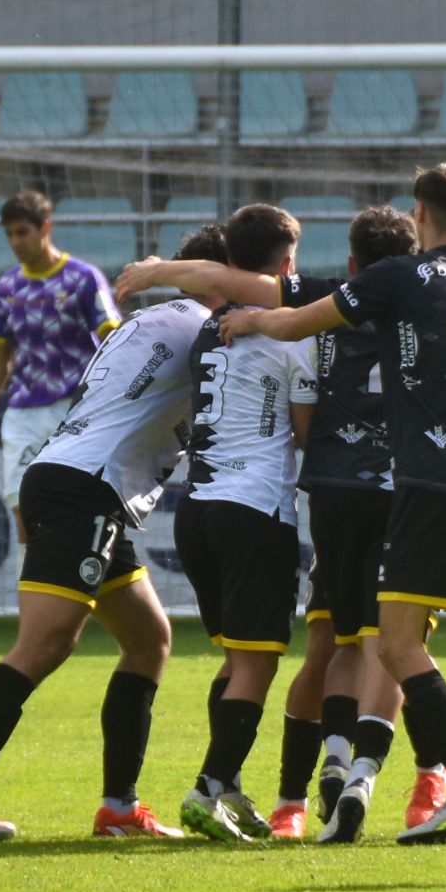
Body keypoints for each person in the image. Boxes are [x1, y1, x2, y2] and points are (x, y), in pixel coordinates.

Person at [114, 201, 446, 842]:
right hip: (421, 487)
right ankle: (424, 780)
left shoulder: (345, 298)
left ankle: (301, 791)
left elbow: (248, 289)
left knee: (330, 645)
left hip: (331, 493)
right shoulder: (441, 297)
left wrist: (163, 272)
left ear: (352, 263)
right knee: (418, 644)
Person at [0, 226, 231, 842]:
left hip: (81, 481)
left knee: (148, 639)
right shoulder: (202, 328)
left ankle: (119, 808)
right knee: (45, 643)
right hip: (84, 487)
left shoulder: (153, 318)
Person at [170, 205, 320, 843]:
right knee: (258, 662)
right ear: (287, 265)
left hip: (196, 511)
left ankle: (228, 787)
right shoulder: (295, 333)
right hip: (254, 510)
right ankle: (208, 787)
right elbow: (307, 433)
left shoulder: (208, 329)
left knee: (236, 659)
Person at [0, 190, 121, 539]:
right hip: (23, 414)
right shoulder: (7, 287)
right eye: (9, 234)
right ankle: (31, 593)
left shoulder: (83, 278)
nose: (15, 242)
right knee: (24, 517)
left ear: (45, 227)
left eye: (22, 232)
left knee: (84, 517)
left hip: (77, 410)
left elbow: (115, 340)